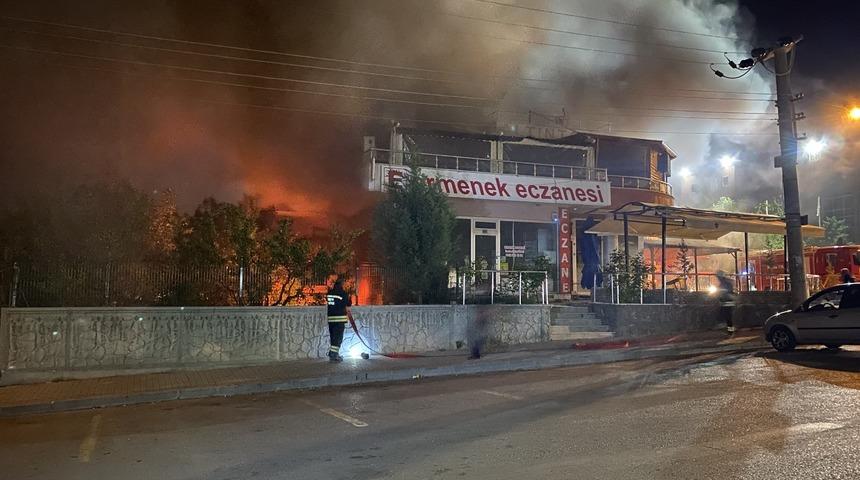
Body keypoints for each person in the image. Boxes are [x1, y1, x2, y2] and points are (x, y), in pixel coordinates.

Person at [326, 278, 351, 362]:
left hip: (331, 319)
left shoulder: (329, 293)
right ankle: (333, 355)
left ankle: (334, 354)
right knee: (338, 338)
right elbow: (348, 303)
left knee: (333, 337)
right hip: (339, 319)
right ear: (341, 285)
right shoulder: (343, 293)